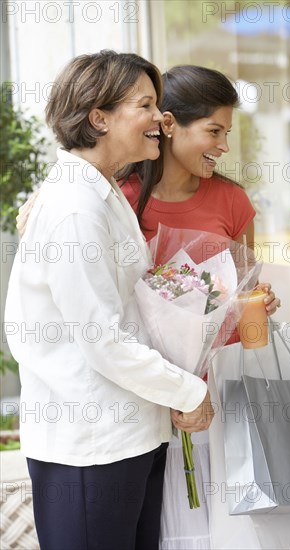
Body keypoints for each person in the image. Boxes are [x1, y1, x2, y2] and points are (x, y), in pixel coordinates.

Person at [5, 51, 215, 550]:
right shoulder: (76, 208)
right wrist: (189, 392)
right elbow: (104, 341)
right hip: (91, 446)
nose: (160, 122)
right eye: (145, 105)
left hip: (128, 437)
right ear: (99, 118)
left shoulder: (100, 192)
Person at [117, 65, 280, 550]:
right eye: (214, 130)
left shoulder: (233, 201)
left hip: (221, 400)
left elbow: (245, 296)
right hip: (149, 397)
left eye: (226, 132)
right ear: (169, 125)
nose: (223, 146)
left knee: (226, 532)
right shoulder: (120, 201)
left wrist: (260, 305)